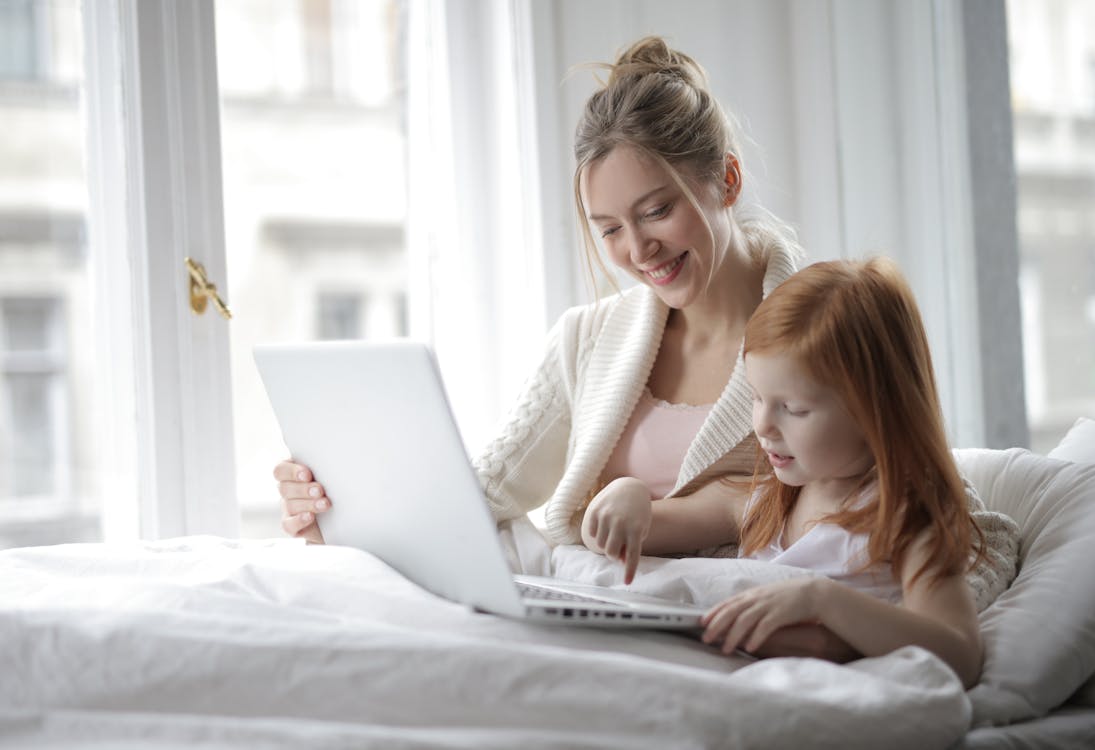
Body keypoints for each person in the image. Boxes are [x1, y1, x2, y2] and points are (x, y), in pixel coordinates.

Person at [696, 257, 985, 687]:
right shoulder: (764, 501)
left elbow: (959, 654)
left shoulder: (904, 518)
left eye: (793, 409)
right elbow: (650, 529)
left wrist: (823, 601)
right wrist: (625, 497)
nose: (761, 425)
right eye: (756, 397)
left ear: (875, 409)